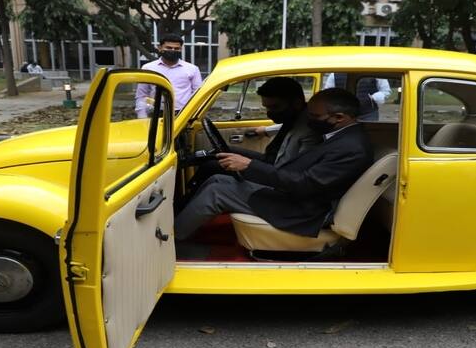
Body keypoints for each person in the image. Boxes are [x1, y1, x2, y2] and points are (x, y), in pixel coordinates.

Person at [175, 88, 374, 241]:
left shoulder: (352, 147)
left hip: (304, 211)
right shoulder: (340, 136)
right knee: (218, 178)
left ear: (339, 118)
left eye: (313, 116)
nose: (308, 120)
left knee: (216, 192)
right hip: (296, 197)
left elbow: (306, 183)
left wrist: (249, 166)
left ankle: (173, 239)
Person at [185, 77, 322, 196]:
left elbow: (294, 175)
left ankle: (185, 202)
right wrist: (266, 130)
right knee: (224, 151)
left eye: (275, 107)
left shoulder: (309, 130)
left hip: (275, 175)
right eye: (266, 108)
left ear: (296, 104)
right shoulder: (296, 116)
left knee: (211, 167)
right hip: (270, 161)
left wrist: (250, 167)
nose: (270, 113)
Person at [135, 34, 203, 118]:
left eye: (176, 48)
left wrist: (194, 115)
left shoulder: (192, 69)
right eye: (169, 48)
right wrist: (142, 117)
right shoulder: (148, 68)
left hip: (183, 114)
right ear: (160, 48)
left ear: (181, 49)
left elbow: (198, 94)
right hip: (157, 114)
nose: (173, 50)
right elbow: (141, 95)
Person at [323, 73, 391, 120]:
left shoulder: (375, 72)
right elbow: (327, 94)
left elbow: (386, 91)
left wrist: (373, 98)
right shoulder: (334, 74)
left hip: (368, 114)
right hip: (343, 115)